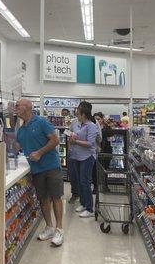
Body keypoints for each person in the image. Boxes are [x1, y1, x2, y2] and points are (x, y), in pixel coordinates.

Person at [14, 99, 64, 247]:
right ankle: (49, 227)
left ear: (27, 107)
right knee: (43, 199)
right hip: (36, 169)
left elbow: (55, 140)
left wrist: (40, 152)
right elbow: (16, 147)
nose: (15, 108)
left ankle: (59, 229)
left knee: (56, 197)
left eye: (18, 105)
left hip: (51, 166)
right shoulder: (21, 130)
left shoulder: (41, 122)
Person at [69, 101, 99, 218]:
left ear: (84, 115)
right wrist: (70, 137)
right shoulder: (76, 124)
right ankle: (83, 203)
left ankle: (90, 209)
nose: (77, 115)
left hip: (87, 157)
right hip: (76, 156)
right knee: (79, 181)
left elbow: (91, 143)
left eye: (78, 113)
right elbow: (72, 133)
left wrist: (75, 141)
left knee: (85, 181)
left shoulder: (91, 126)